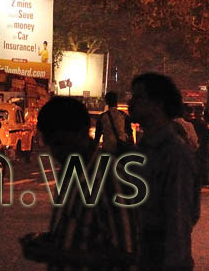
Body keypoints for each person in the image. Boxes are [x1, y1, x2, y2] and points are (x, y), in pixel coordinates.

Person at [20, 96, 137, 270]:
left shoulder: (109, 177)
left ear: (82, 133)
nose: (56, 153)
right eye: (51, 145)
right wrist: (48, 242)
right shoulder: (70, 172)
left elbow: (125, 254)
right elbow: (80, 234)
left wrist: (56, 254)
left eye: (61, 143)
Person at [129, 73, 200, 271]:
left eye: (138, 97)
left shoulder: (174, 153)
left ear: (158, 104)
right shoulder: (144, 148)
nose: (131, 103)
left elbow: (179, 217)